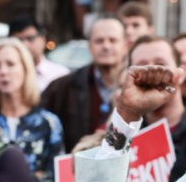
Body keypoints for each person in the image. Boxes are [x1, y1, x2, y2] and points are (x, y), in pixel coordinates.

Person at [0, 37, 64, 182]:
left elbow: (55, 177)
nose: (3, 71)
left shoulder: (48, 123)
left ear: (26, 69)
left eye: (10, 64)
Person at [41, 14, 127, 152]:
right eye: (99, 41)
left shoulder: (137, 86)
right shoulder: (62, 88)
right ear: (89, 46)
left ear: (125, 45)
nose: (106, 46)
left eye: (113, 40)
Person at [126, 35, 186, 182]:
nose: (152, 72)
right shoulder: (125, 131)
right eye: (142, 66)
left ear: (181, 72)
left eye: (160, 64)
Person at [8, 15, 69, 92]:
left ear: (43, 39)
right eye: (19, 40)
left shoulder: (60, 75)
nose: (25, 45)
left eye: (30, 38)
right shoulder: (4, 76)